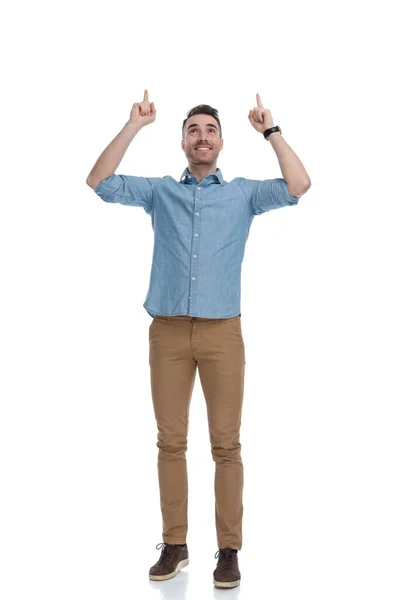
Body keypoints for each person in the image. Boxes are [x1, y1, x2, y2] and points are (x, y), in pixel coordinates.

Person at [86, 90, 311, 589]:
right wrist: (132, 126)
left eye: (210, 130)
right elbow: (98, 182)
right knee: (170, 442)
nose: (202, 137)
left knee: (226, 444)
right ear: (183, 141)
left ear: (222, 142)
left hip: (222, 333)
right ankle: (176, 544)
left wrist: (271, 131)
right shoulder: (160, 191)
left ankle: (228, 550)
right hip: (166, 331)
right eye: (194, 130)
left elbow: (299, 184)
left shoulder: (245, 195)